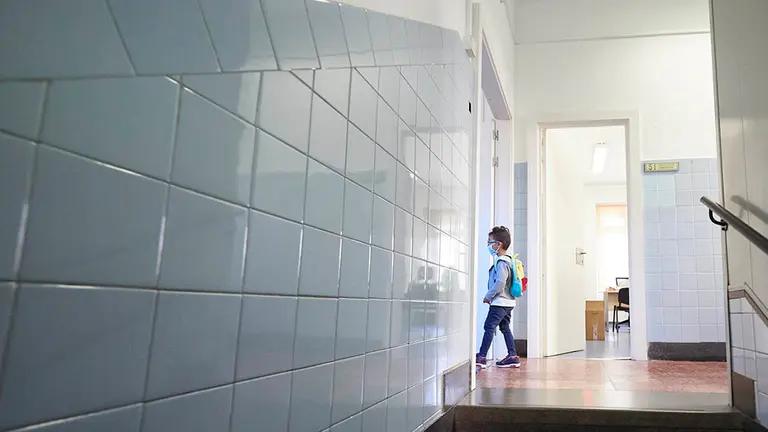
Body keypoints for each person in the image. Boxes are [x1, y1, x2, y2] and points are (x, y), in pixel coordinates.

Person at [476, 226, 521, 369]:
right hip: (509, 302)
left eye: (490, 242)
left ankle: (482, 356)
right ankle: (512, 356)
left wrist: (488, 296)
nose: (489, 245)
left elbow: (500, 283)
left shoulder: (501, 262)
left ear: (498, 244)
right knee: (505, 327)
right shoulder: (509, 261)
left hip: (500, 302)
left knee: (489, 327)